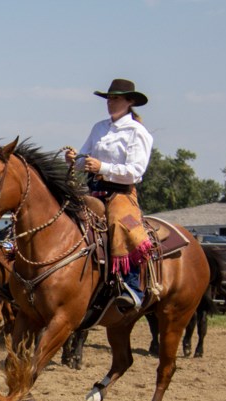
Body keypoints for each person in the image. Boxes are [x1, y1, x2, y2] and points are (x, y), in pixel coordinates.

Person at [65, 78, 154, 311]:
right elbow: (85, 158)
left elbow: (135, 172)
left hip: (122, 194)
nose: (110, 102)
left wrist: (102, 168)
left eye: (116, 98)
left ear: (129, 101)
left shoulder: (138, 132)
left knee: (121, 225)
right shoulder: (99, 127)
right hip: (95, 191)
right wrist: (75, 160)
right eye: (109, 98)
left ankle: (132, 288)